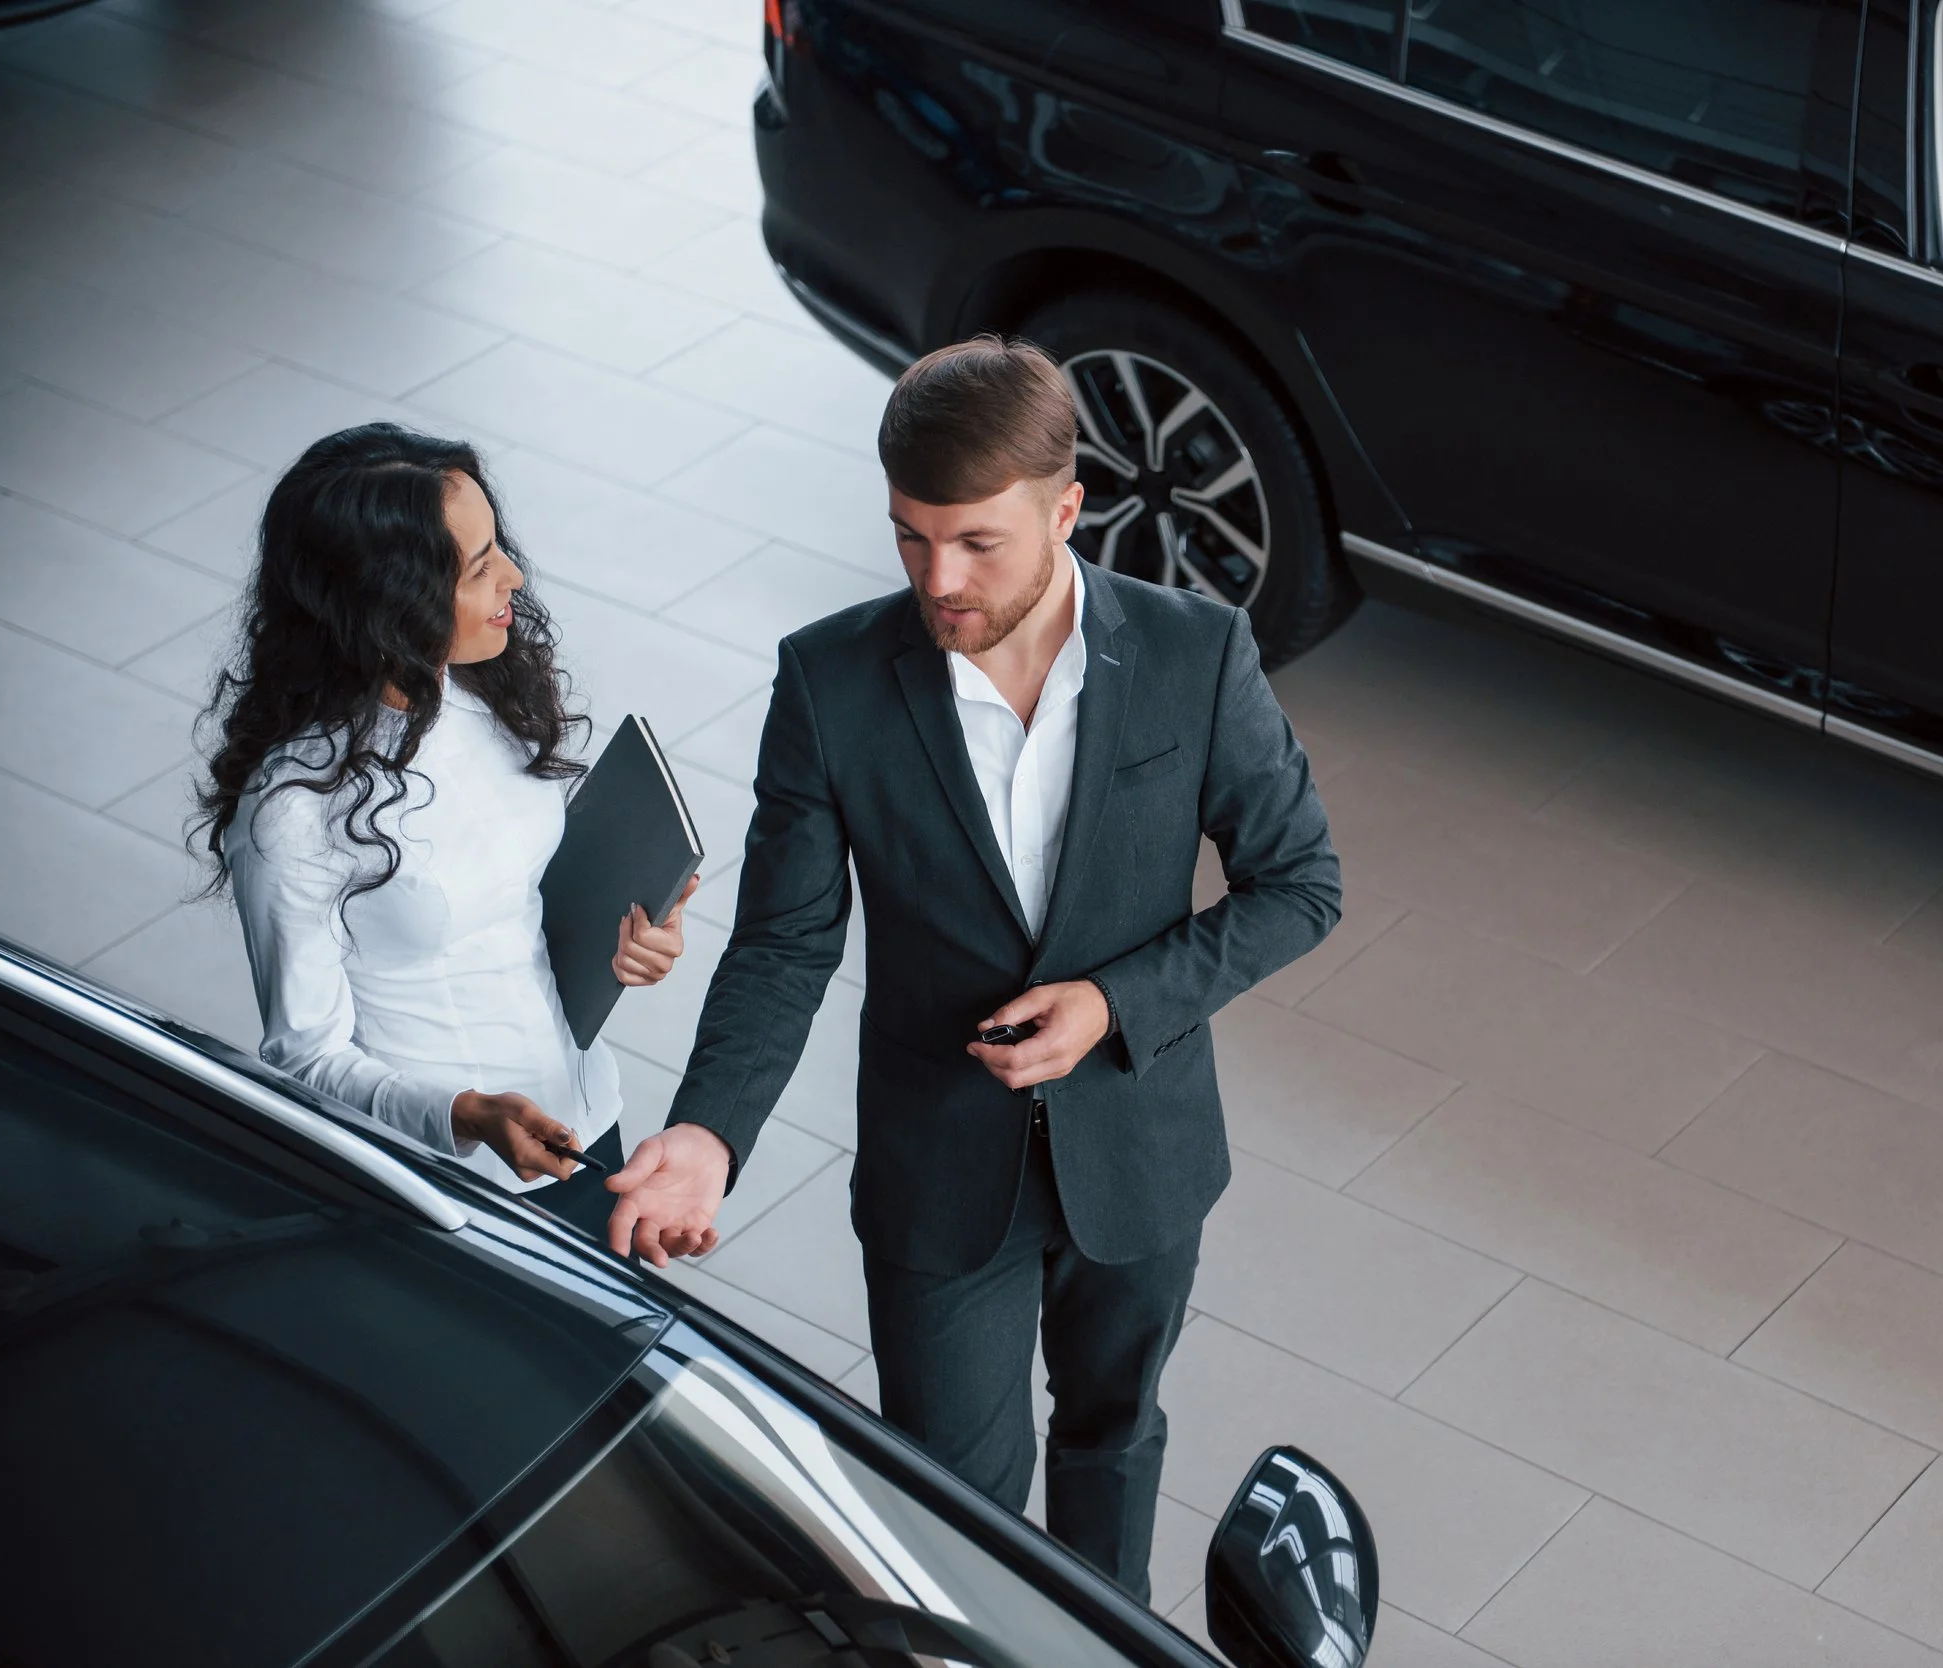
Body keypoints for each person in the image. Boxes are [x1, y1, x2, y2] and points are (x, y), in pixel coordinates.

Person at [602, 337, 1341, 1599]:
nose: (938, 580)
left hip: (1141, 1155)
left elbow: (1300, 888)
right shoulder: (829, 681)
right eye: (908, 539)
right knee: (948, 1503)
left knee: (1113, 1436)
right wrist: (710, 1130)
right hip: (940, 1173)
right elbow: (786, 940)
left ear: (1067, 508)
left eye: (977, 545)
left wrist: (1115, 1001)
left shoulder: (1194, 654)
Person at [201, 423, 693, 1239]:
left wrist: (632, 940)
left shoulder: (486, 689)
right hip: (447, 1181)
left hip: (580, 1117)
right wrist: (464, 1114)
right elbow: (304, 1057)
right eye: (478, 567)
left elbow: (512, 897)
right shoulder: (291, 811)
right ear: (392, 600)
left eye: (498, 547)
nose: (516, 576)